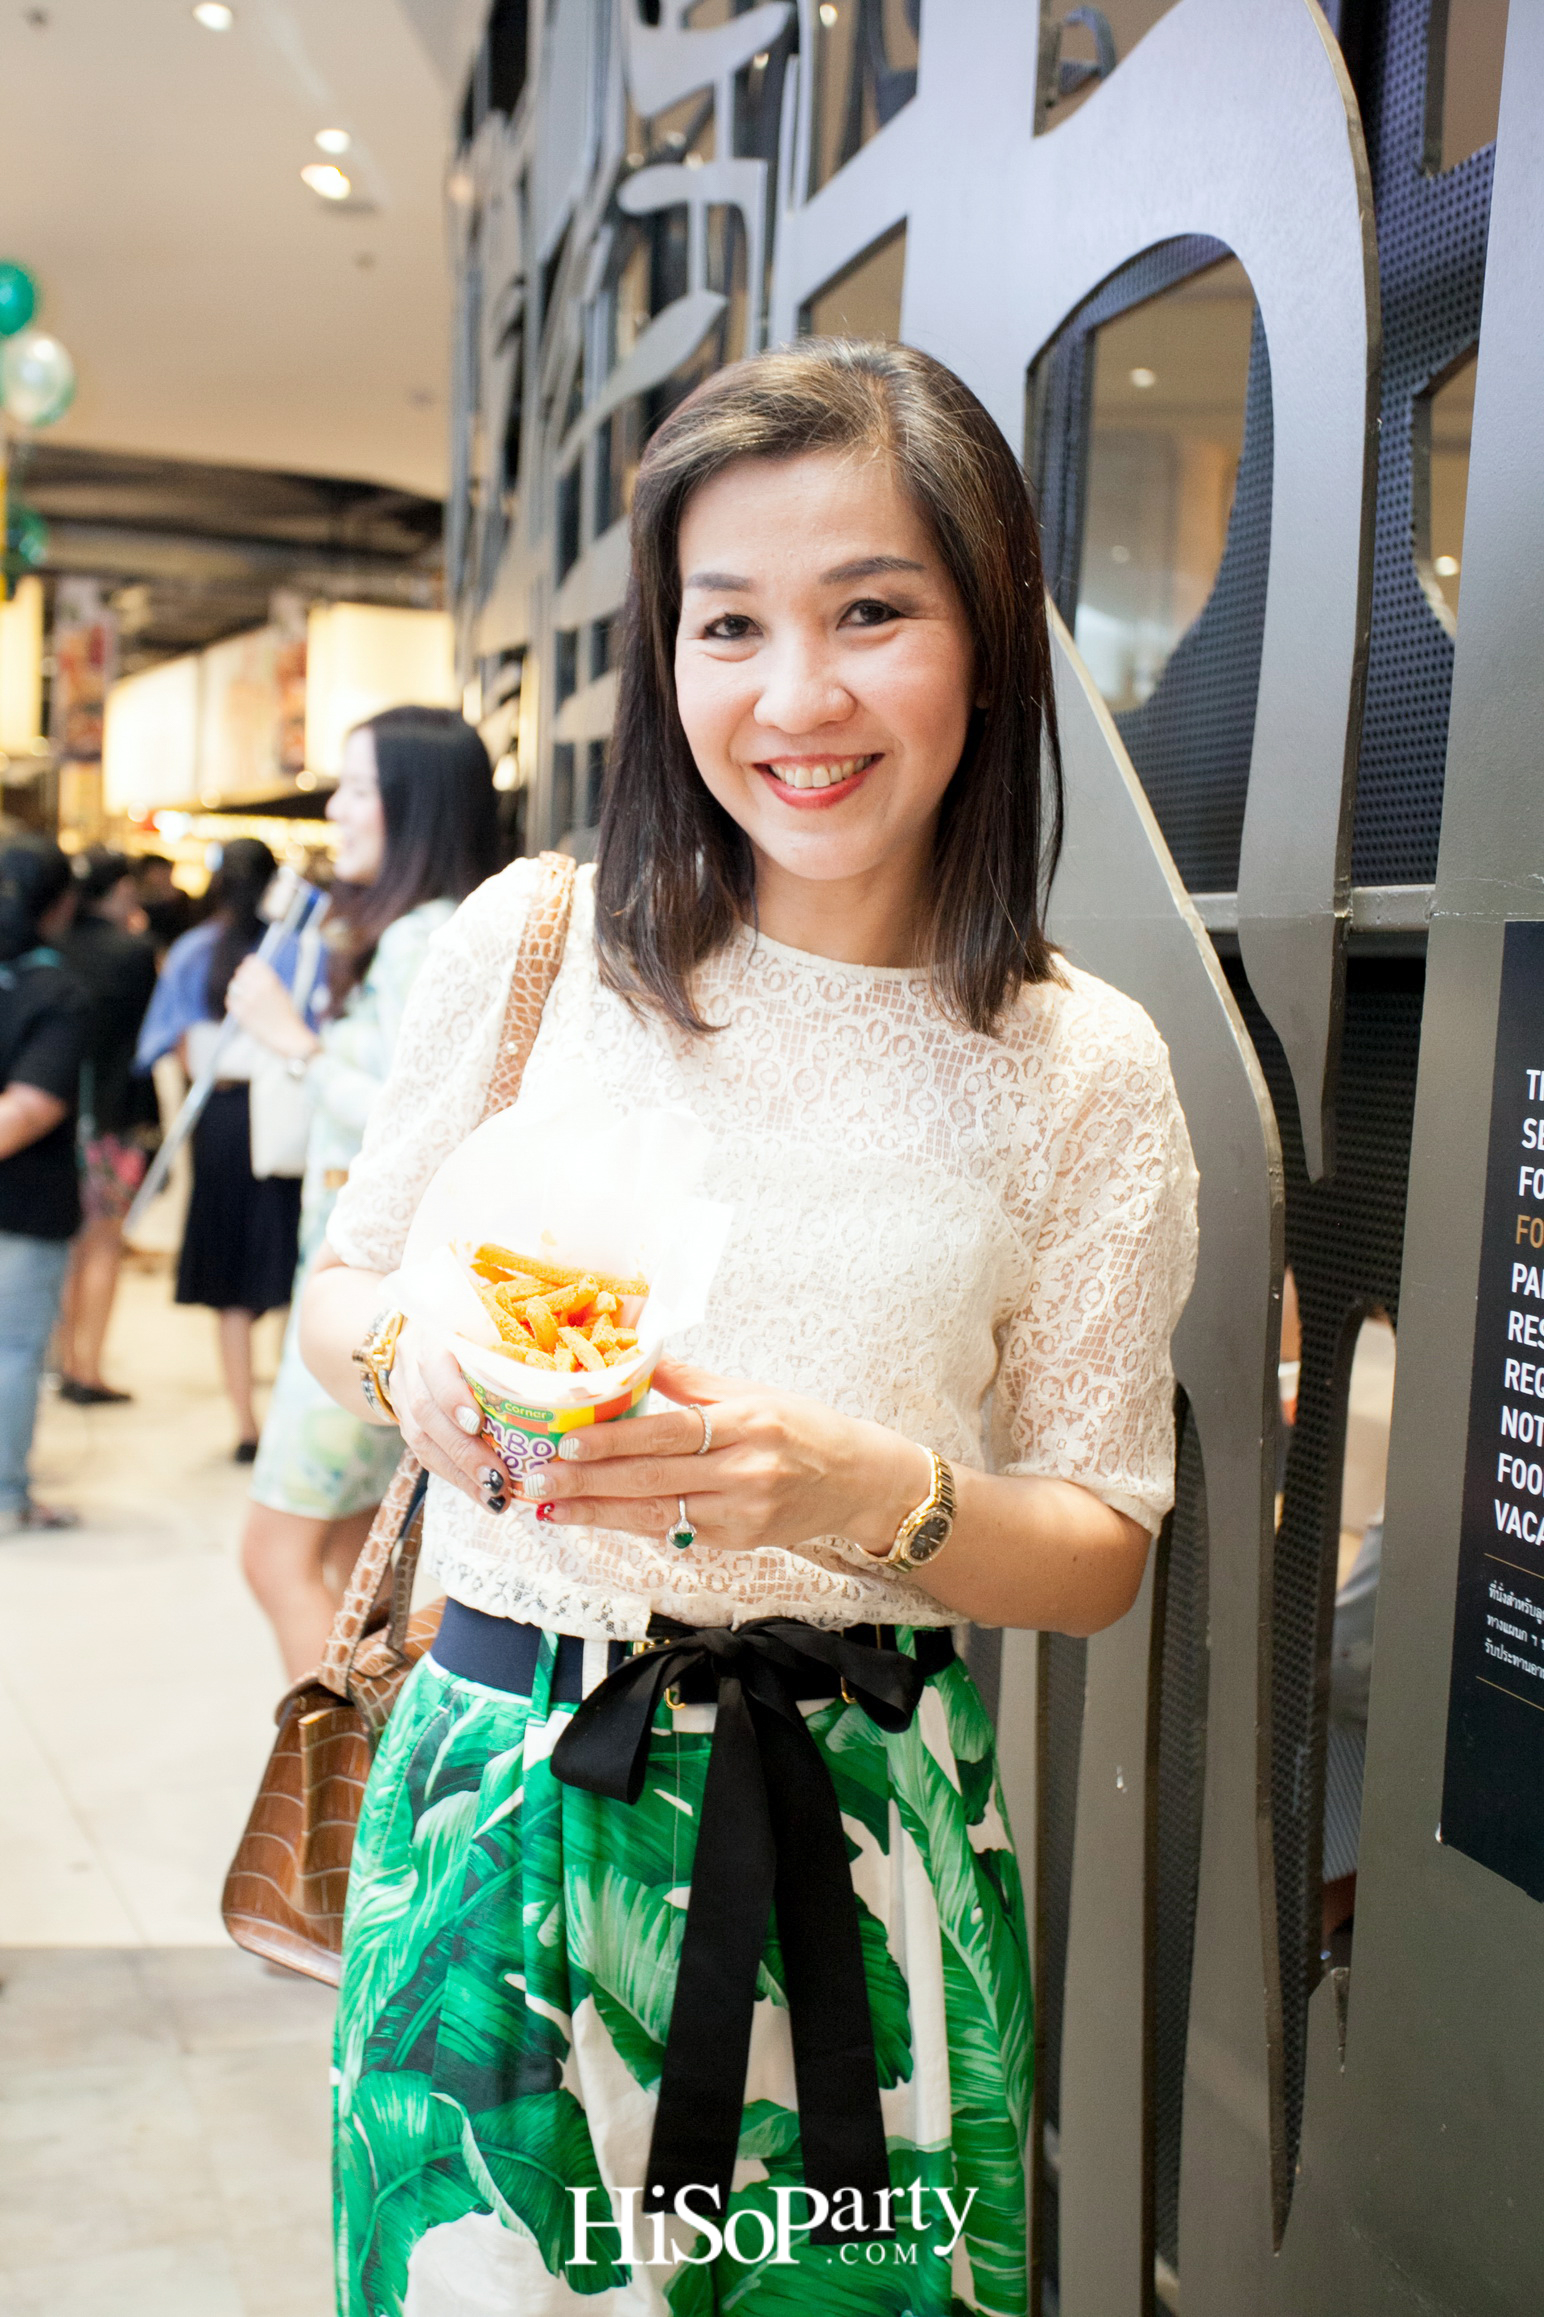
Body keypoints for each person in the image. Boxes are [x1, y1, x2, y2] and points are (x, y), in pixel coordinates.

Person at [300, 341, 1199, 2312]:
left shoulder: (1082, 1072)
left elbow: (1102, 1547)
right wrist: (413, 1373)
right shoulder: (533, 947)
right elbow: (342, 1287)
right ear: (666, 654)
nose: (795, 699)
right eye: (729, 625)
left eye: (870, 612)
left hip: (858, 1845)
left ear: (986, 644)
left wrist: (849, 1487)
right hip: (500, 1802)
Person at [229, 708, 501, 1678]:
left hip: (366, 1295)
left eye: (355, 787)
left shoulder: (425, 937)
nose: (336, 808)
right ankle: (355, 1801)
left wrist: (289, 1040)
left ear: (412, 803)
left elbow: (406, 1123)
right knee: (350, 1566)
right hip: (385, 1293)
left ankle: (335, 1798)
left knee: (277, 1554)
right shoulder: (439, 927)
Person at [136, 837, 302, 1459]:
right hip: (284, 1116)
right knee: (289, 1263)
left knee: (231, 1275)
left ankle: (244, 1425)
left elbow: (169, 1043)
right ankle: (288, 1408)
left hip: (222, 1119)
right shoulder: (290, 950)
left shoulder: (190, 952)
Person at [0, 837, 88, 1534]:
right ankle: (5, 1494)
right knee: (13, 1350)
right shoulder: (54, 988)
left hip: (27, 1200)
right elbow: (30, 1107)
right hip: (25, 1202)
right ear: (59, 904)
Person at [55, 846, 160, 1402]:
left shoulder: (54, 946)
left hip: (57, 1114)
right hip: (114, 1116)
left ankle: (64, 1357)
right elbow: (147, 1041)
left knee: (69, 1244)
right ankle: (87, 1369)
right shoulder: (133, 952)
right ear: (120, 889)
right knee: (102, 1243)